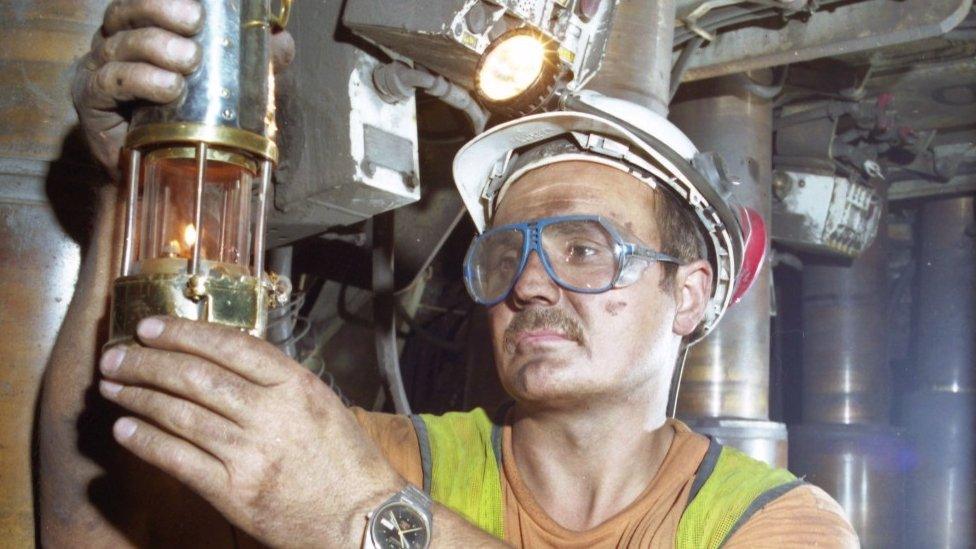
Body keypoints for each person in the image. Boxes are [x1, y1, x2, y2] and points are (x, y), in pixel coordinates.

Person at [38, 0, 858, 547]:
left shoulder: (773, 520)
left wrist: (368, 518)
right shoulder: (391, 456)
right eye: (508, 252)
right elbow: (90, 524)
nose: (531, 284)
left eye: (584, 249)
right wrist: (132, 183)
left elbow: (350, 505)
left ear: (689, 293)